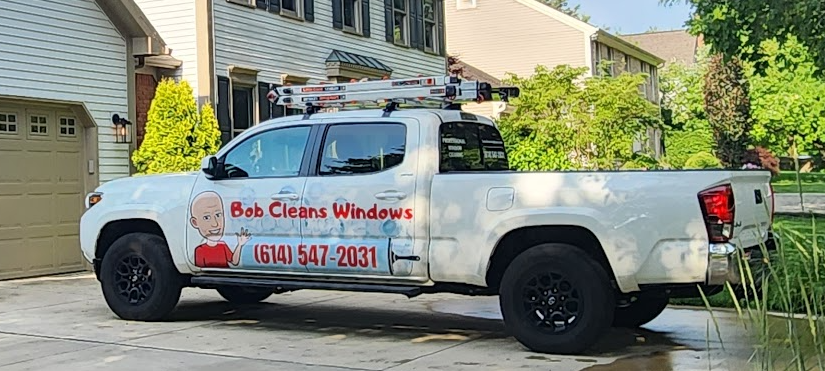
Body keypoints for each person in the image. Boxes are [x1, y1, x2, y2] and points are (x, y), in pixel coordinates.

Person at [189, 191, 250, 268]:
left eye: (218, 215)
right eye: (206, 217)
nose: (215, 224)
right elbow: (200, 269)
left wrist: (240, 244)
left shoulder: (223, 246)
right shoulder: (199, 250)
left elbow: (234, 261)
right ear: (195, 222)